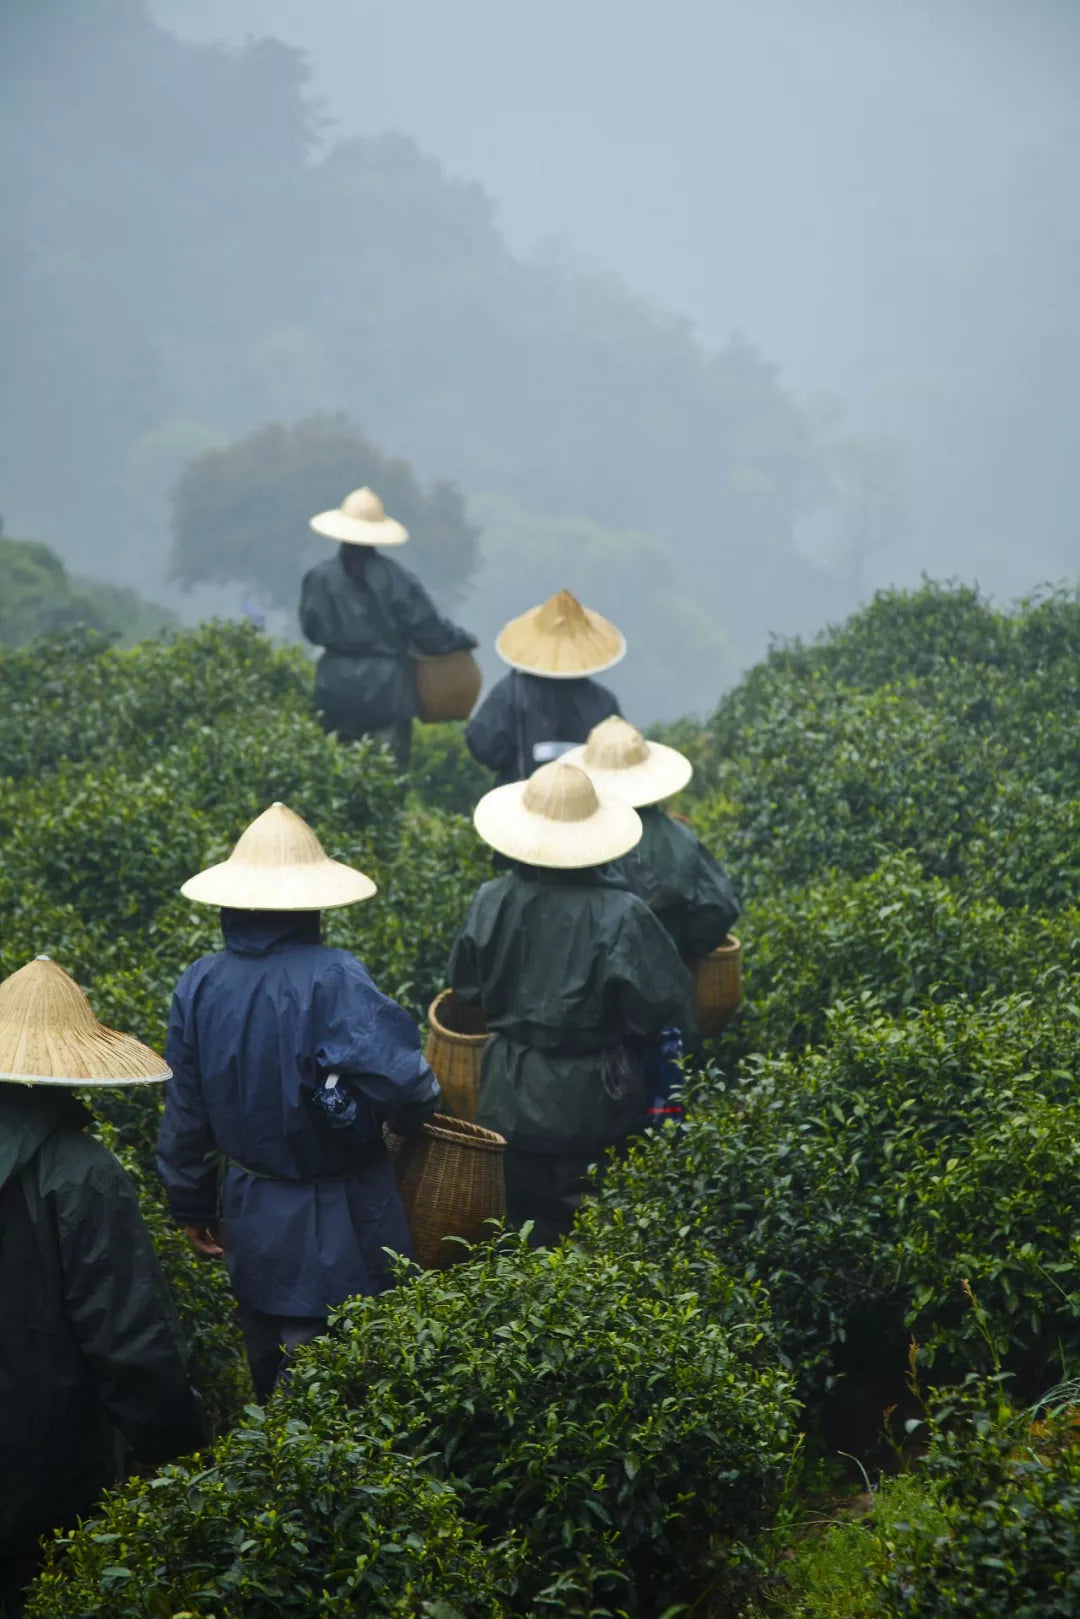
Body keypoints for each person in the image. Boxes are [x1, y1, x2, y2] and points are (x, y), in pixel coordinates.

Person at [156, 801, 441, 1402]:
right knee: (337, 1386)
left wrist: (188, 1201)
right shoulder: (333, 977)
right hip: (336, 1213)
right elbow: (409, 1086)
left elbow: (186, 1109)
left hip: (248, 1210)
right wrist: (405, 1122)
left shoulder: (199, 982)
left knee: (267, 1364)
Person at [0, 956, 206, 1617]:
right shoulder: (84, 1173)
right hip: (47, 1457)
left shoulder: (77, 1173)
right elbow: (130, 1338)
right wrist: (185, 1455)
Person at [447, 761, 693, 1246]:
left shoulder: (490, 899)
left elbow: (465, 990)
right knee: (600, 1240)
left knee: (519, 1234)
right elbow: (661, 1005)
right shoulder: (623, 914)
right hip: (595, 1102)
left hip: (508, 1096)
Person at [300, 486, 477, 769]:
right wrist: (461, 640)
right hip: (388, 691)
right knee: (386, 775)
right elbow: (429, 631)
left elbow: (311, 630)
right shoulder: (396, 578)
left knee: (334, 771)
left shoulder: (319, 578)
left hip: (335, 687)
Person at [565, 716, 740, 959]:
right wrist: (681, 951)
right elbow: (719, 907)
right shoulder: (680, 839)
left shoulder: (572, 836)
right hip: (664, 979)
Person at [465, 590, 624, 786]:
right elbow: (619, 761)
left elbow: (483, 746)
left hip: (522, 802)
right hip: (587, 808)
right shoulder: (604, 702)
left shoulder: (510, 692)